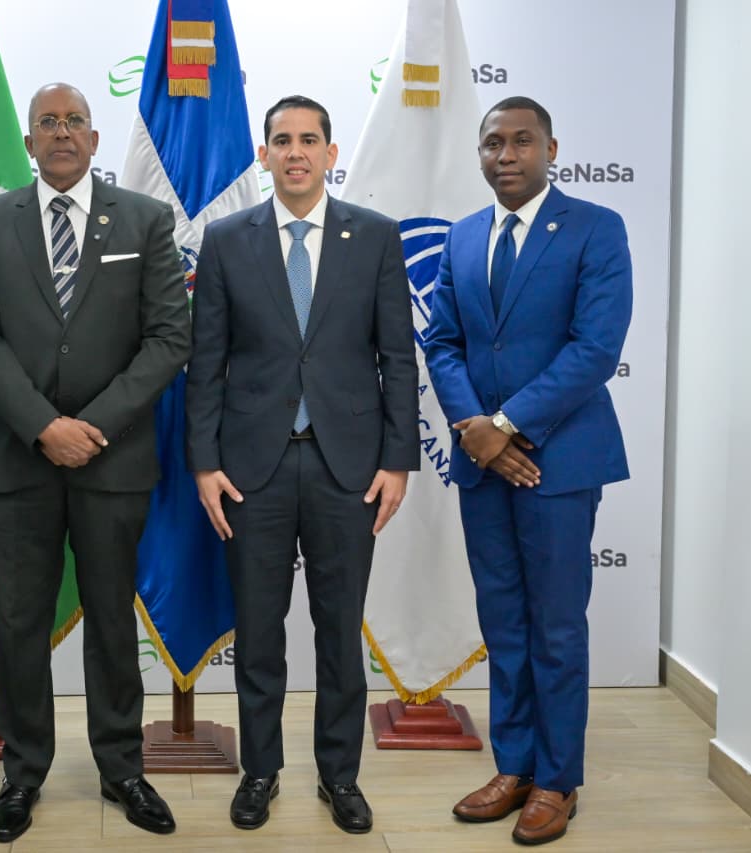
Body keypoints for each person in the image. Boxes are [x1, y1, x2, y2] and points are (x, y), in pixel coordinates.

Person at [0, 82, 190, 843]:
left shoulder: (145, 220)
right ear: (29, 143)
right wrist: (42, 427)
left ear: (94, 139)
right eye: (47, 123)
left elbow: (169, 338)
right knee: (19, 622)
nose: (62, 133)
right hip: (17, 460)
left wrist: (90, 426)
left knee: (113, 620)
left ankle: (122, 767)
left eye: (75, 122)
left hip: (111, 460)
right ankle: (22, 773)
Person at [186, 95, 420, 835]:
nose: (295, 152)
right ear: (263, 155)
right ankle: (260, 770)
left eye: (309, 140)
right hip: (249, 469)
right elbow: (206, 363)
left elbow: (398, 358)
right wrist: (203, 463)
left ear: (330, 152)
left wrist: (399, 461)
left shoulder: (375, 236)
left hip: (347, 468)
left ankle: (339, 775)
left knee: (338, 630)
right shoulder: (228, 240)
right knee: (259, 633)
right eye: (282, 140)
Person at [424, 96, 632, 846]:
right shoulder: (463, 235)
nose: (505, 155)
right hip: (484, 466)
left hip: (560, 463)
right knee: (504, 623)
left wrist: (505, 425)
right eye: (492, 143)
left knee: (555, 627)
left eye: (521, 141)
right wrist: (476, 432)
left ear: (551, 149)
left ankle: (556, 779)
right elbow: (442, 343)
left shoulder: (596, 228)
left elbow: (595, 347)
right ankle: (513, 766)